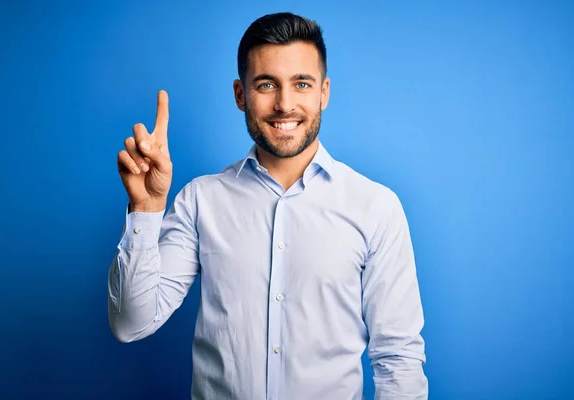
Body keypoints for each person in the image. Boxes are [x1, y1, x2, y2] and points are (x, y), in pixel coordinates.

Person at [108, 11, 428, 400]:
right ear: (241, 95)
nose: (285, 104)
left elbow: (399, 360)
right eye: (266, 85)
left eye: (302, 84)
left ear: (323, 92)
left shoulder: (375, 207)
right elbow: (130, 324)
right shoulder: (200, 200)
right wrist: (147, 206)